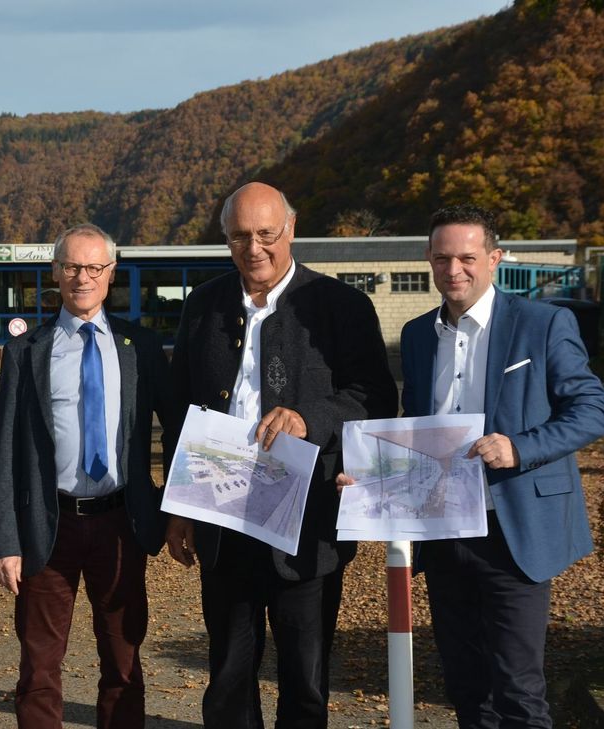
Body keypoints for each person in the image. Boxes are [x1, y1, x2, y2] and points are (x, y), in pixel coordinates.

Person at [165, 182, 398, 728]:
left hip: (307, 525)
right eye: (241, 236)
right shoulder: (203, 305)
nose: (255, 248)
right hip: (222, 514)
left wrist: (308, 418)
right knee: (227, 676)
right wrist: (177, 505)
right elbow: (178, 411)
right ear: (226, 239)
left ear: (291, 229)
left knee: (306, 679)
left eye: (267, 234)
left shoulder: (341, 306)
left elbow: (374, 396)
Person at [399, 204, 604, 728]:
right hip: (444, 530)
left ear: (494, 259)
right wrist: (373, 473)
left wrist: (520, 447)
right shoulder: (416, 335)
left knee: (518, 688)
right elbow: (413, 426)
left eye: (468, 258)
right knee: (465, 684)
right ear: (429, 259)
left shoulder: (543, 323)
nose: (455, 270)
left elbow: (593, 410)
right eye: (443, 258)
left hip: (513, 528)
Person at [0, 223, 174, 729]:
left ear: (111, 274)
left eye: (94, 267)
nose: (82, 277)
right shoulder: (28, 352)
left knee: (123, 664)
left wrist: (180, 512)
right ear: (55, 273)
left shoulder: (141, 347)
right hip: (48, 527)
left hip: (121, 524)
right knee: (39, 669)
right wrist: (5, 538)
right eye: (72, 266)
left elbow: (178, 430)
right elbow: (6, 447)